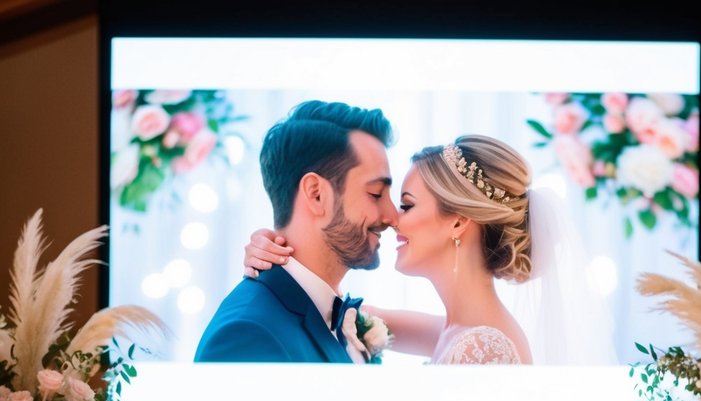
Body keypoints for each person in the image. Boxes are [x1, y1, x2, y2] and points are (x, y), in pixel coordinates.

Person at [246, 133, 617, 365]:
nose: (393, 218)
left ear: (457, 221)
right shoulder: (459, 329)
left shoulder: (483, 348)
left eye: (406, 205)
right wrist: (278, 251)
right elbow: (335, 311)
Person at [194, 100, 397, 363]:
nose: (393, 216)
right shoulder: (247, 335)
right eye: (375, 193)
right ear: (316, 195)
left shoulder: (337, 316)